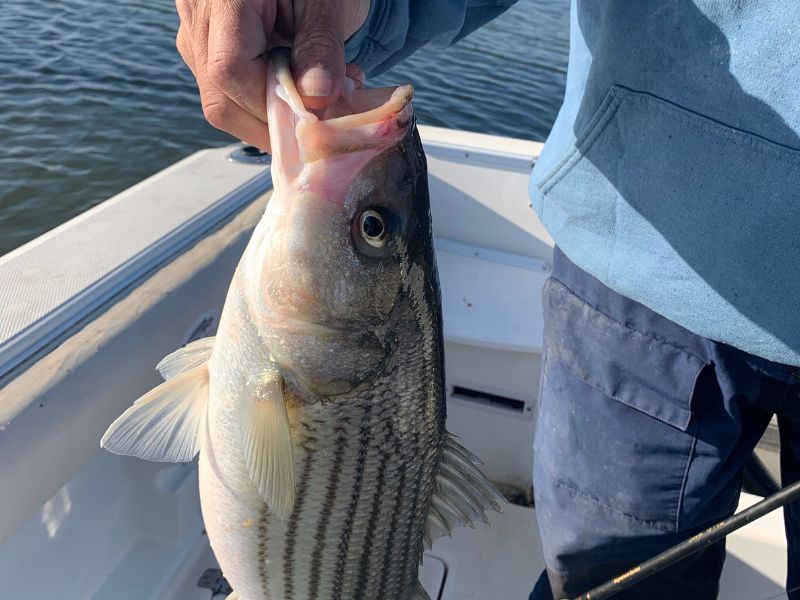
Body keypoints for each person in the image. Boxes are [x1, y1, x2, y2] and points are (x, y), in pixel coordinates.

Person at [175, 1, 800, 598]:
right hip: (642, 263)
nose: (372, 226)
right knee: (610, 577)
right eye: (373, 228)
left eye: (373, 227)